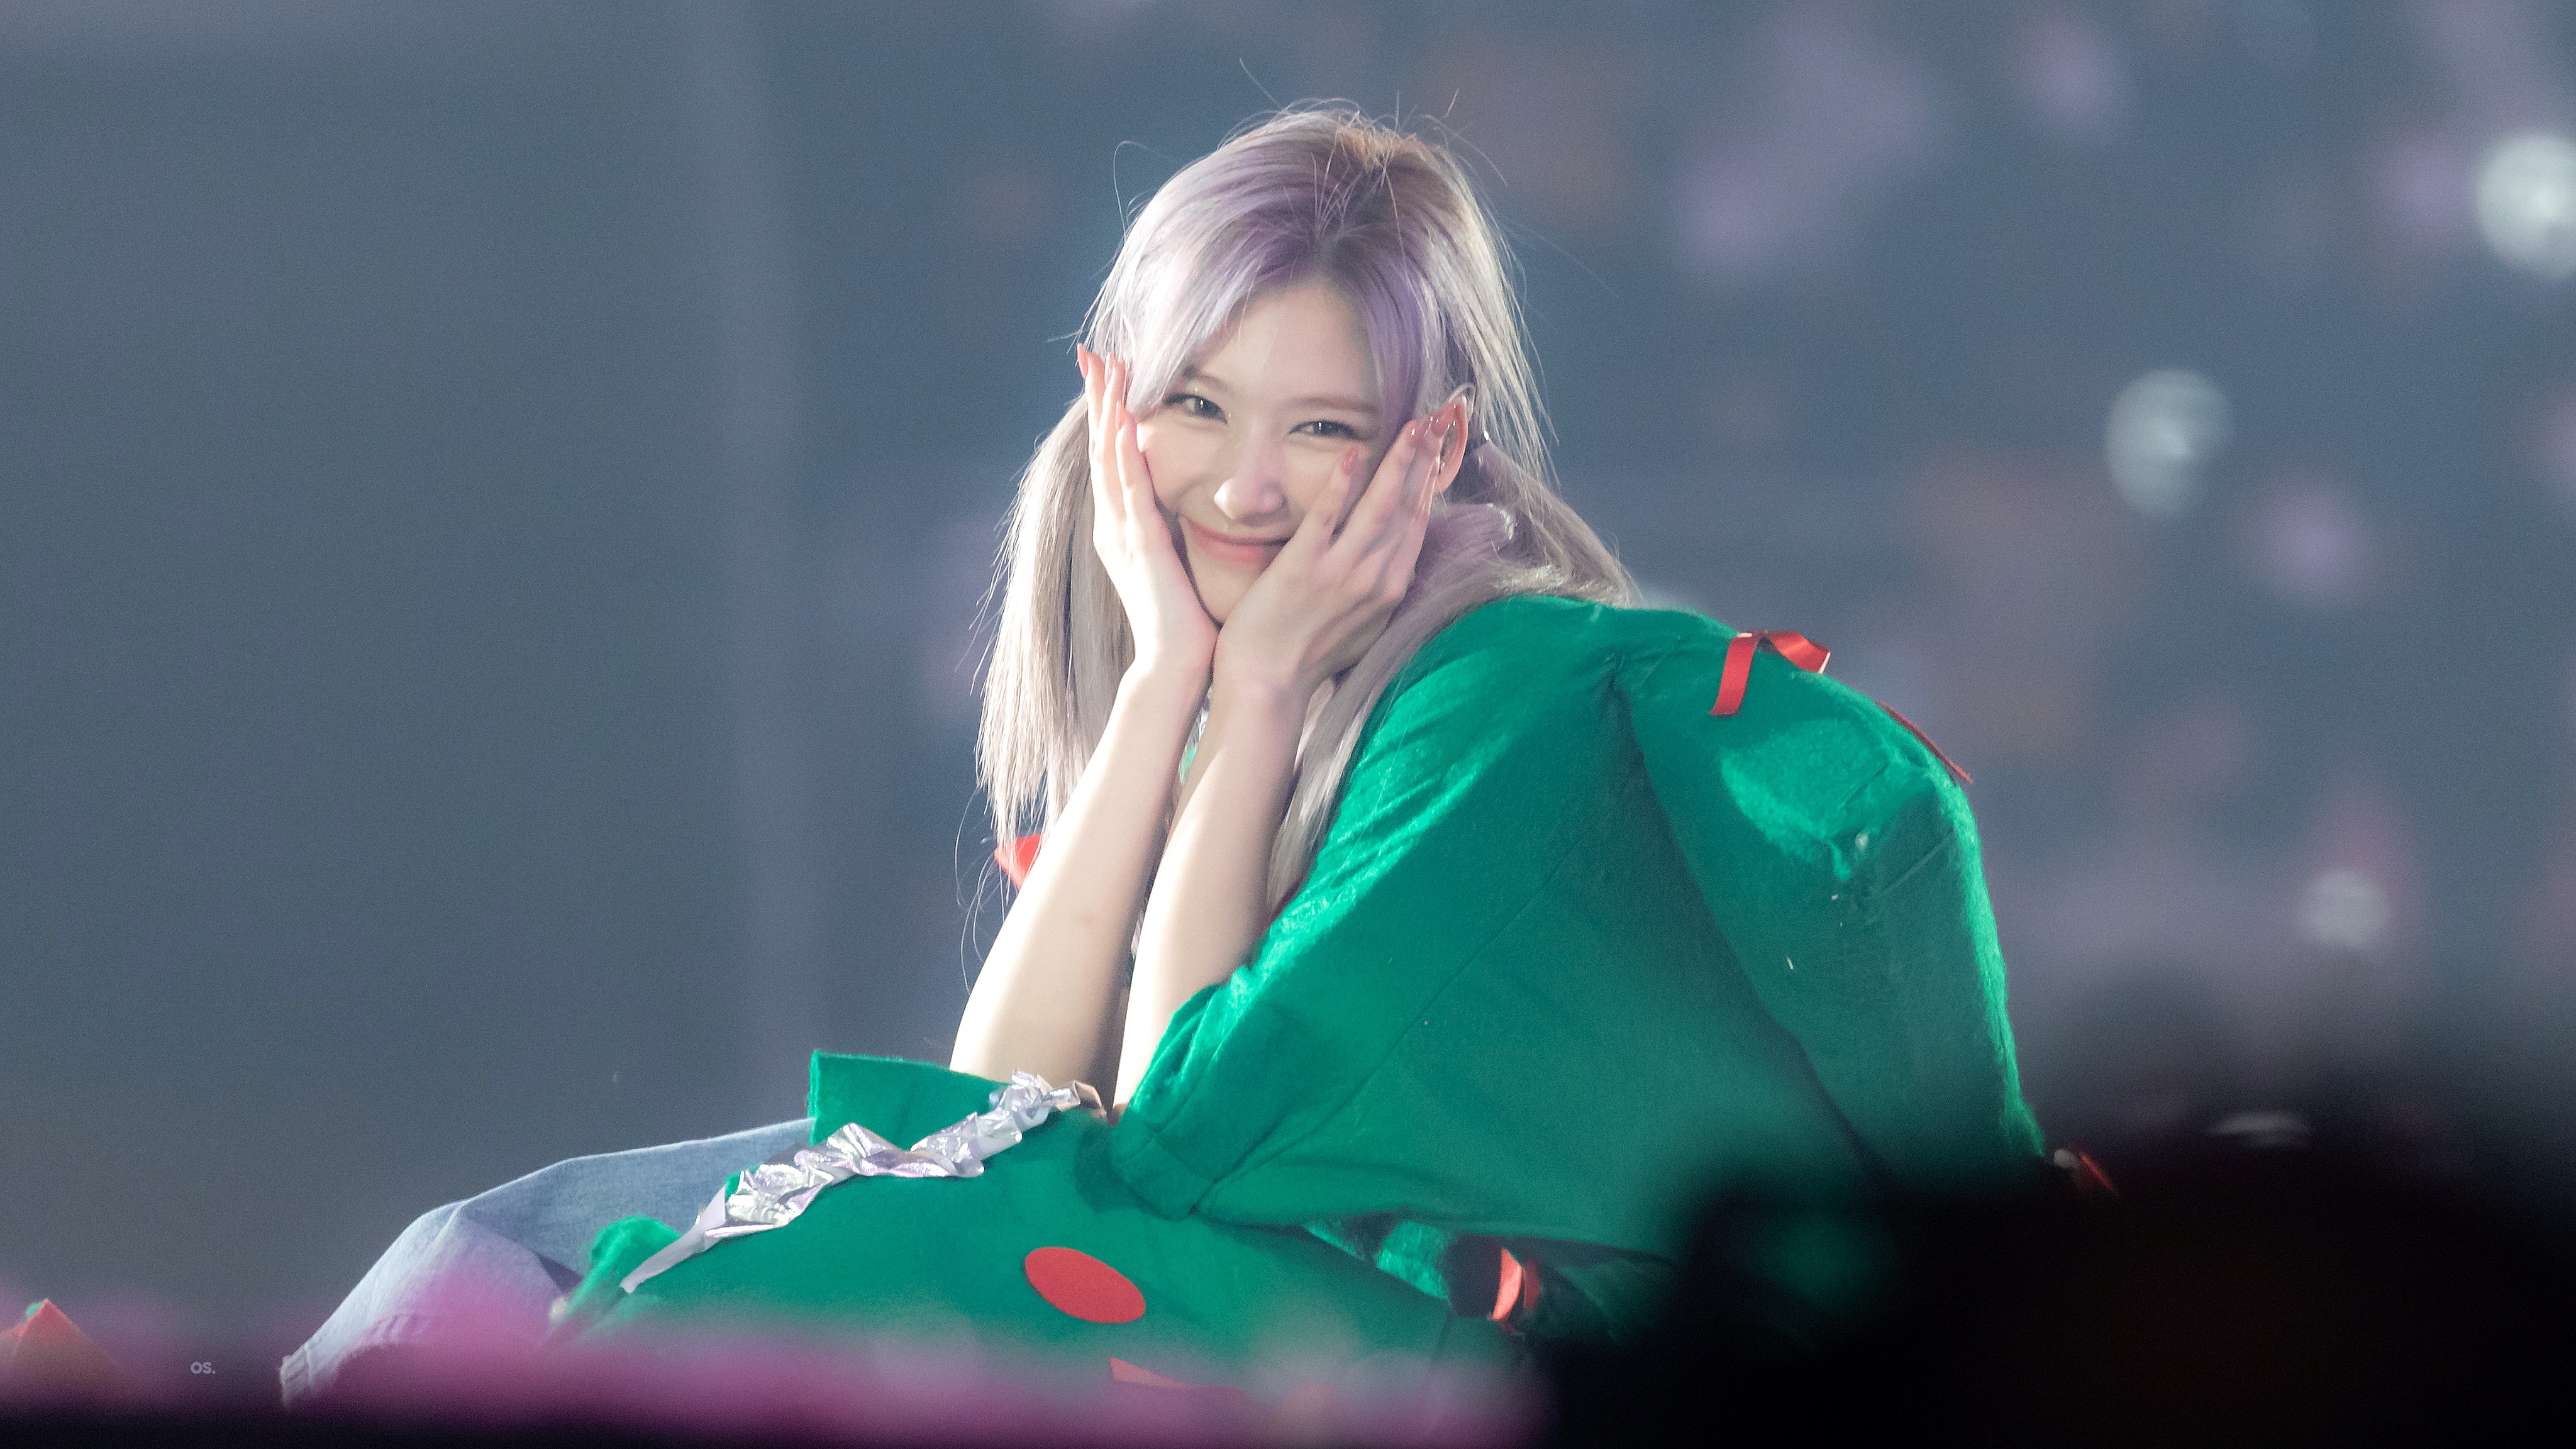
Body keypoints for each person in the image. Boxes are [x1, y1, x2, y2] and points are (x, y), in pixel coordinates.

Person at [284, 104, 2041, 1403]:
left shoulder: (1497, 696)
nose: (1246, 488)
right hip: (1208, 1258)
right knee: (487, 1256)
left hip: (1420, 1331)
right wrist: (1168, 694)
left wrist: (1257, 688)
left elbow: (1182, 1139)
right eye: (1199, 406)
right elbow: (987, 1115)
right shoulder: (1170, 639)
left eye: (1324, 429)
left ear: (1434, 449)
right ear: (1110, 396)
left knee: (619, 1293)